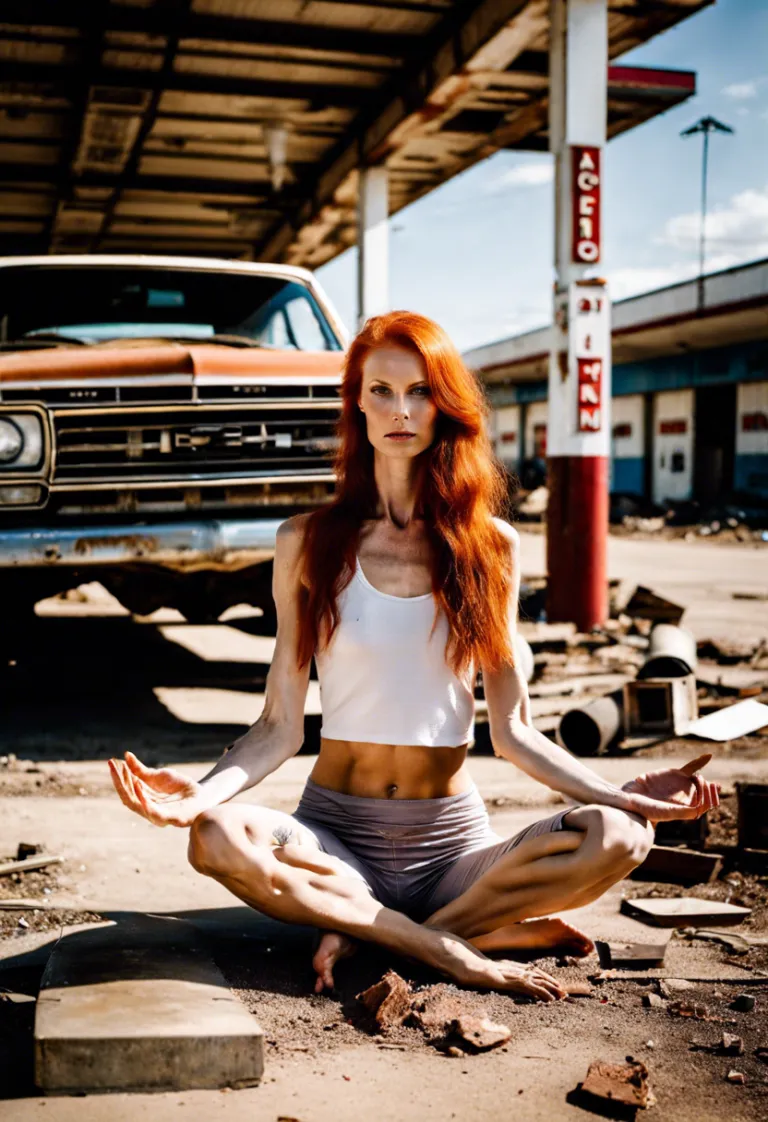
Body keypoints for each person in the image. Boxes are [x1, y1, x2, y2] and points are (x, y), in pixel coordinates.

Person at [109, 311, 718, 1003]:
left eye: (421, 390)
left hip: (451, 845)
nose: (401, 410)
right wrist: (198, 794)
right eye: (381, 391)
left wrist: (623, 795)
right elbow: (279, 726)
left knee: (622, 836)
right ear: (357, 403)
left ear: (445, 404)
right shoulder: (304, 542)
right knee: (214, 836)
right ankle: (450, 947)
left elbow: (516, 734)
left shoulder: (491, 547)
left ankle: (376, 931)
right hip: (333, 839)